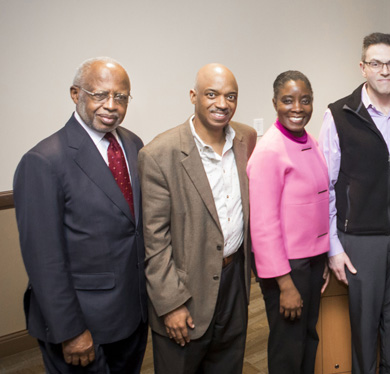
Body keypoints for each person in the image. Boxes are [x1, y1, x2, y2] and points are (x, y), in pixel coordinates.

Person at [13, 57, 148, 373]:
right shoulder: (43, 161)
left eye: (121, 97)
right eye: (100, 94)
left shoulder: (132, 144)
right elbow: (44, 260)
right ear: (76, 94)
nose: (111, 105)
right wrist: (70, 331)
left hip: (132, 314)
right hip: (83, 324)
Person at [319, 32, 390, 374]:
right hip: (359, 240)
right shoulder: (339, 115)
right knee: (364, 328)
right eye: (376, 63)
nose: (384, 70)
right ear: (362, 68)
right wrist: (332, 247)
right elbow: (325, 186)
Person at [139, 63, 257, 374]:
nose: (222, 104)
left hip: (234, 284)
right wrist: (171, 304)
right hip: (186, 289)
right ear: (193, 96)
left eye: (230, 96)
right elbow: (155, 241)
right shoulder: (159, 154)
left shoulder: (246, 138)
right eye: (211, 94)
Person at [247, 70, 330, 374]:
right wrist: (285, 284)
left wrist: (320, 260)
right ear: (275, 103)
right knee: (288, 347)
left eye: (305, 100)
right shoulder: (269, 150)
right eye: (288, 100)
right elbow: (263, 224)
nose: (297, 107)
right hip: (288, 267)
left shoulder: (311, 140)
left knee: (308, 337)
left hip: (310, 262)